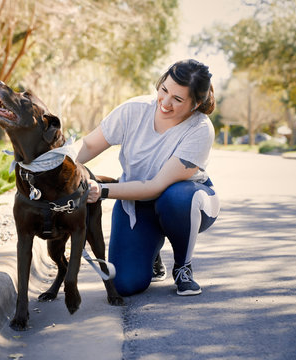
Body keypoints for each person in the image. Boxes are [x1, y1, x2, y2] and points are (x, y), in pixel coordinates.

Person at [76, 59, 220, 296]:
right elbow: (90, 145)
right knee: (124, 285)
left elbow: (156, 186)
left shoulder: (200, 129)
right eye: (164, 90)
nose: (165, 102)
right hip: (137, 202)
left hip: (189, 202)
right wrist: (54, 166)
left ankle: (183, 267)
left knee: (174, 197)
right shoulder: (134, 110)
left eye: (178, 99)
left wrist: (100, 190)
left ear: (196, 103)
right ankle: (151, 254)